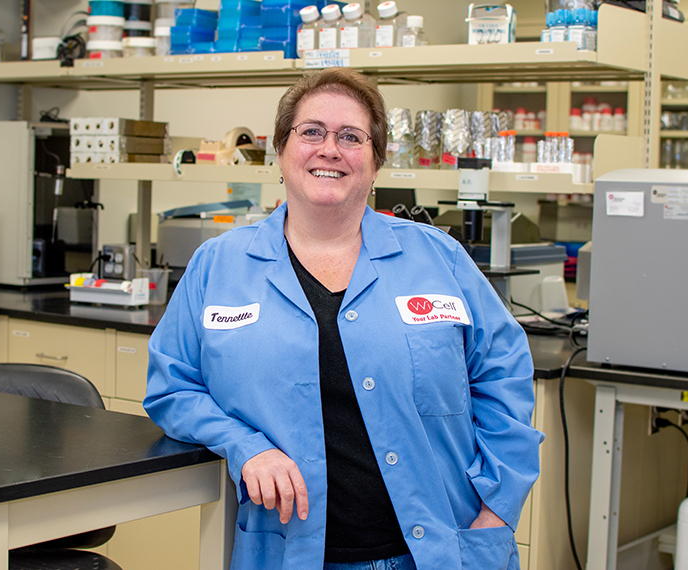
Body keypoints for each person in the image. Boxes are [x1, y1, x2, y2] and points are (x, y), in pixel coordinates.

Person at [145, 67, 543, 570]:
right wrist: (244, 446)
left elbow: (504, 375)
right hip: (289, 553)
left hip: (441, 551)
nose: (329, 149)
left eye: (351, 137)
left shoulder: (439, 260)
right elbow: (172, 386)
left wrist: (497, 510)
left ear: (375, 163)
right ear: (281, 152)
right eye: (311, 131)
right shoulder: (219, 265)